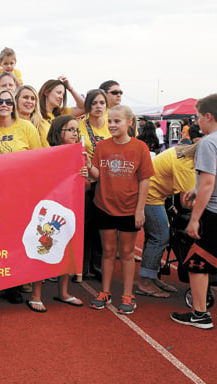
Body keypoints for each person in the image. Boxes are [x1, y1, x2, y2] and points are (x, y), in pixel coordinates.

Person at [87, 105, 155, 315]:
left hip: (129, 208)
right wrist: (88, 164)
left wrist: (140, 210)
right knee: (108, 251)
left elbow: (144, 179)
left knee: (126, 253)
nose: (112, 125)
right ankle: (105, 292)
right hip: (104, 206)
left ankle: (128, 294)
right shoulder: (102, 146)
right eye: (110, 121)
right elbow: (98, 175)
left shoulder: (140, 147)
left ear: (129, 123)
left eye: (117, 121)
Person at [0, 89, 41, 304]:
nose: (4, 104)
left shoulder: (27, 127)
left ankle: (14, 285)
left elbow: (38, 161)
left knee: (16, 241)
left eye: (8, 101)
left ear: (13, 105)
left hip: (20, 195)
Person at [27, 116, 88, 312]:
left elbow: (84, 187)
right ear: (58, 131)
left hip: (70, 209)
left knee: (67, 246)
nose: (74, 133)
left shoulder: (80, 154)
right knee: (42, 247)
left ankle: (64, 292)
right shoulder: (48, 154)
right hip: (50, 207)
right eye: (69, 129)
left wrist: (85, 176)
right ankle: (36, 294)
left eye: (76, 130)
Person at [171, 94, 217, 330]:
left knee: (197, 263)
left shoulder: (209, 142)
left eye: (198, 116)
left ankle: (200, 314)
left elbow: (209, 182)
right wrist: (195, 189)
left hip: (213, 213)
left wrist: (195, 219)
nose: (197, 121)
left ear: (208, 116)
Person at [137, 143, 197, 298]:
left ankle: (151, 276)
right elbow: (187, 202)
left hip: (154, 193)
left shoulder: (183, 152)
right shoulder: (187, 165)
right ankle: (145, 283)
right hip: (150, 195)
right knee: (160, 237)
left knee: (153, 237)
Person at [77, 89, 110, 279]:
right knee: (86, 225)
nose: (98, 106)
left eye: (102, 103)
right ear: (88, 106)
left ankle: (97, 265)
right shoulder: (81, 126)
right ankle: (81, 266)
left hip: (108, 183)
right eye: (95, 103)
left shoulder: (110, 125)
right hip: (88, 182)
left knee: (102, 226)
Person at [0, 89, 42, 156]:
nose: (4, 104)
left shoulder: (27, 127)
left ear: (13, 107)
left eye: (9, 102)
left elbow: (38, 156)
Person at [38, 77, 85, 147]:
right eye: (58, 93)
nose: (61, 97)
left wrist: (70, 89)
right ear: (46, 92)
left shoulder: (61, 113)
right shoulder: (36, 113)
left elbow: (83, 108)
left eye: (63, 95)